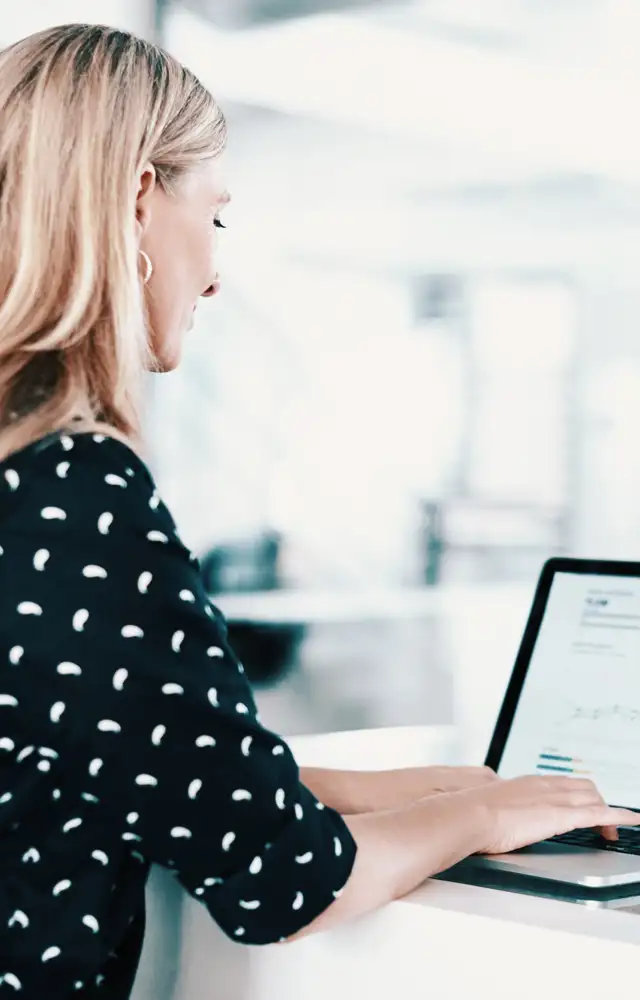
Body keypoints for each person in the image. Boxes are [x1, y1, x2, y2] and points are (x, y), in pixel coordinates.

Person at [0, 23, 634, 999]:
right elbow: (285, 880)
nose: (215, 270)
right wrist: (484, 822)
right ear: (136, 202)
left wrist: (415, 787)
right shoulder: (74, 488)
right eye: (213, 217)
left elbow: (121, 749)